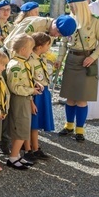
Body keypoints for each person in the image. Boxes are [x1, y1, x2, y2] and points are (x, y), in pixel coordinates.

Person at [57, 0, 99, 142]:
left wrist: (93, 57)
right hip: (72, 60)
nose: (71, 9)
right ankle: (68, 126)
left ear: (80, 6)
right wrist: (59, 59)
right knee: (70, 97)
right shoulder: (69, 20)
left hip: (87, 61)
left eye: (72, 6)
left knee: (82, 99)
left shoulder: (94, 21)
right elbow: (64, 43)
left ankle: (80, 130)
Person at [5, 34, 40, 169]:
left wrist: (35, 85)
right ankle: (13, 157)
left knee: (23, 127)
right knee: (21, 128)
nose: (32, 51)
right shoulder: (15, 65)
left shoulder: (23, 63)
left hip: (25, 98)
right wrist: (31, 91)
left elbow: (26, 80)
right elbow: (15, 87)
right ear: (24, 49)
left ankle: (17, 155)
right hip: (19, 100)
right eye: (31, 48)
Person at [27, 32, 55, 160]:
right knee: (32, 123)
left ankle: (35, 147)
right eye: (47, 45)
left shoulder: (41, 58)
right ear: (39, 47)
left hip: (43, 92)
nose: (49, 47)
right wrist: (30, 100)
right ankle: (30, 149)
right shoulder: (30, 61)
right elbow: (29, 80)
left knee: (36, 124)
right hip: (35, 95)